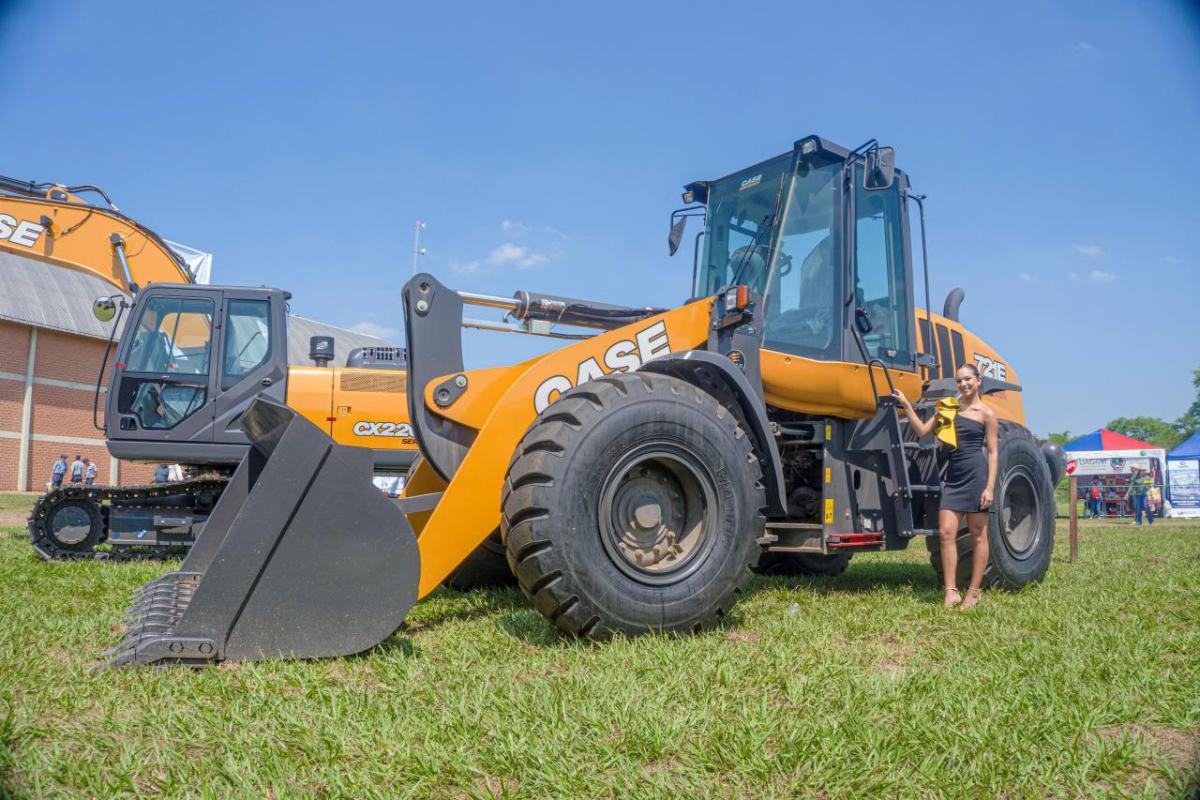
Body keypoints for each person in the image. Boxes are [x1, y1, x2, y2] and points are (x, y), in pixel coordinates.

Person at [892, 364, 999, 611]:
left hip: (977, 476)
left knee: (978, 536)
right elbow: (921, 431)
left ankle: (973, 592)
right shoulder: (947, 408)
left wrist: (990, 487)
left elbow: (993, 453)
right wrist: (907, 404)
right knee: (946, 532)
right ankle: (950, 591)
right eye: (959, 381)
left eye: (968, 379)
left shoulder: (987, 414)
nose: (963, 384)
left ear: (978, 380)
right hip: (954, 477)